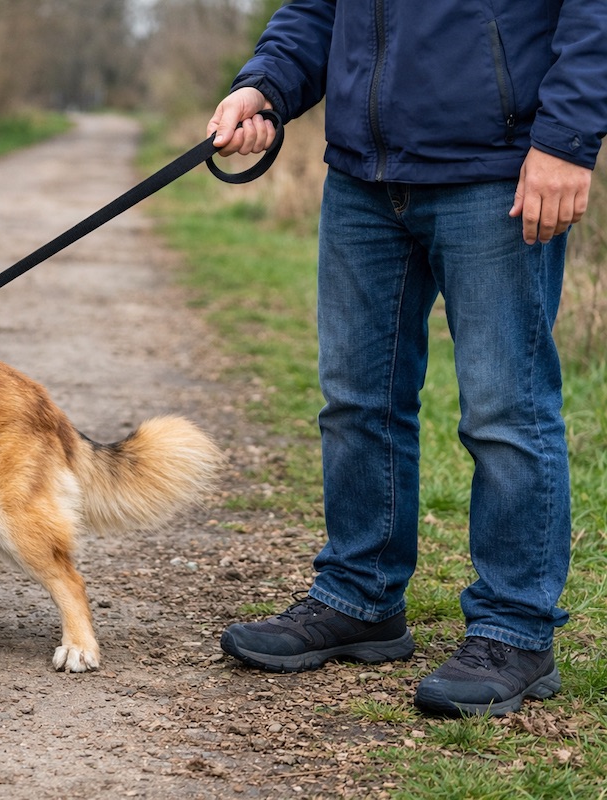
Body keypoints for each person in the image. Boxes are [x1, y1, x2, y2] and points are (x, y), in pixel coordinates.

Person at [208, 1, 606, 717]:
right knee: (355, 402)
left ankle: (515, 629)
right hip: (362, 177)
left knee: (505, 412)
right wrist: (264, 84)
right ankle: (358, 596)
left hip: (498, 171)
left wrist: (567, 142)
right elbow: (319, 8)